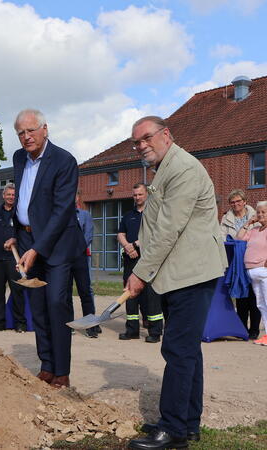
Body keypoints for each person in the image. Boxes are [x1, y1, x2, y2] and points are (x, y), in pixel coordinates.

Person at [126, 116, 227, 449]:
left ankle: (172, 432)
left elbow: (169, 228)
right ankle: (188, 422)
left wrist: (140, 272)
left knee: (178, 349)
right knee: (188, 351)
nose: (141, 145)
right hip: (181, 272)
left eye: (146, 138)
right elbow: (157, 226)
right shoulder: (165, 170)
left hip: (192, 273)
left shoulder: (182, 168)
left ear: (166, 135)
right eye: (136, 142)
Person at [5, 109, 86, 389]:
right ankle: (47, 366)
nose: (26, 137)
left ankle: (62, 371)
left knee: (56, 303)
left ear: (45, 129)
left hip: (58, 245)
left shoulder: (64, 161)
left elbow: (62, 211)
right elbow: (21, 202)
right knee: (37, 307)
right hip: (27, 241)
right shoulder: (18, 158)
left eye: (31, 131)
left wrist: (38, 248)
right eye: (20, 133)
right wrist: (14, 233)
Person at [117, 183, 163, 343]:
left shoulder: (153, 214)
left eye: (140, 194)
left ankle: (155, 332)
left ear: (146, 195)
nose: (137, 197)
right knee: (130, 296)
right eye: (135, 195)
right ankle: (132, 330)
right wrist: (127, 246)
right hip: (130, 260)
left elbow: (155, 236)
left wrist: (135, 244)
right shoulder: (128, 215)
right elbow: (120, 234)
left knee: (152, 297)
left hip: (148, 260)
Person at [0, 183, 26, 333]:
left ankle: (20, 323)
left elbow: (25, 234)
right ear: (3, 196)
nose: (11, 197)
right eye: (8, 194)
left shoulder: (21, 213)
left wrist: (16, 241)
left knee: (17, 291)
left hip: (14, 259)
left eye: (13, 195)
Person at [221, 189, 260, 340]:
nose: (236, 204)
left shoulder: (255, 215)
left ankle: (254, 329)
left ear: (245, 201)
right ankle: (242, 327)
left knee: (253, 295)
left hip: (252, 258)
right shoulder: (226, 218)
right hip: (235, 260)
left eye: (238, 201)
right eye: (233, 202)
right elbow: (222, 236)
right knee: (240, 294)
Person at [236, 201, 267, 345]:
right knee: (261, 304)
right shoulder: (254, 230)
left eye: (263, 212)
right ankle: (266, 335)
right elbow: (239, 237)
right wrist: (249, 222)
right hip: (252, 273)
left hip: (263, 271)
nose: (260, 214)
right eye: (258, 212)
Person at [69, 192, 100, 338]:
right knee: (65, 293)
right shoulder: (61, 215)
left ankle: (91, 325)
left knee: (85, 292)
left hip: (80, 257)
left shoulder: (85, 215)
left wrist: (76, 250)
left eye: (74, 196)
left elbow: (88, 235)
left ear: (78, 198)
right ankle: (68, 325)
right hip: (64, 259)